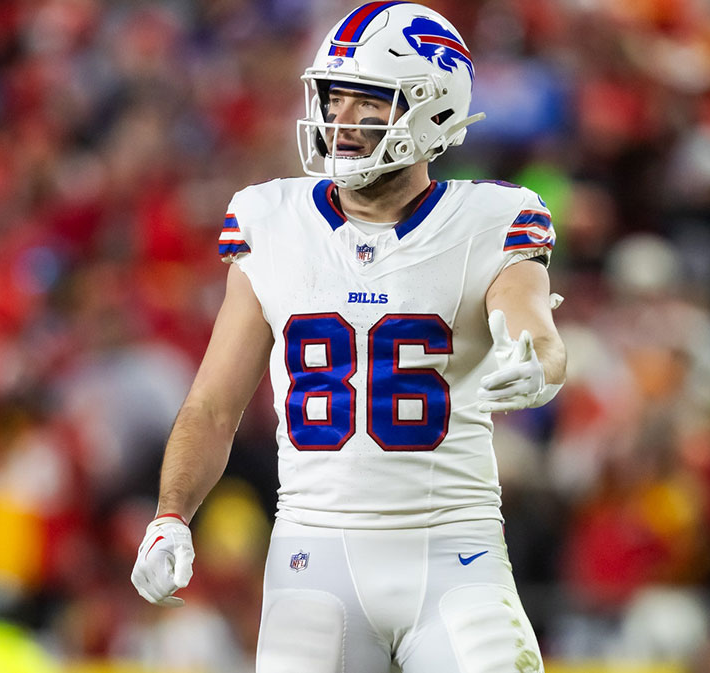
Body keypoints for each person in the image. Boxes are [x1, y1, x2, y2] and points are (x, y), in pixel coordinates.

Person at [131, 3, 566, 671]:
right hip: (314, 560)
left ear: (432, 109)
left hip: (456, 555)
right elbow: (213, 405)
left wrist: (534, 358)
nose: (340, 119)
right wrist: (171, 513)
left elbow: (532, 322)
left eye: (367, 101)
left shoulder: (491, 217)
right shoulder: (270, 220)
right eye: (334, 97)